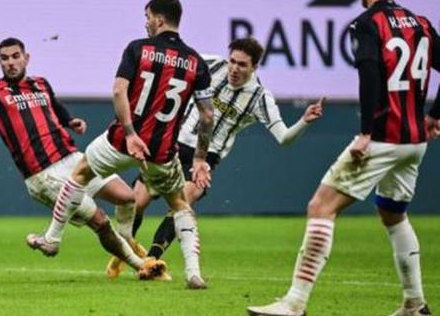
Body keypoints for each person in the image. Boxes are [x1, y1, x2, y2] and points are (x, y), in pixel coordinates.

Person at [247, 0, 440, 316]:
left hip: (383, 137)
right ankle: (414, 303)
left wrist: (366, 132)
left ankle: (294, 303)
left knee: (321, 208)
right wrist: (434, 116)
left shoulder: (366, 24)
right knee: (392, 213)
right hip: (414, 141)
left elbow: (369, 75)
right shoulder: (421, 23)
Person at [0, 37, 162, 279]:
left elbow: (54, 107)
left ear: (26, 57)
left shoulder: (41, 83)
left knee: (128, 198)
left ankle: (124, 242)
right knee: (101, 222)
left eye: (15, 56)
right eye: (5, 58)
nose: (11, 63)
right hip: (43, 174)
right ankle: (140, 264)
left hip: (73, 159)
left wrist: (71, 121)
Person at [26, 0, 216, 289]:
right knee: (179, 204)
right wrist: (201, 159)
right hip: (163, 150)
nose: (146, 23)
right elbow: (207, 116)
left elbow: (118, 91)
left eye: (148, 17)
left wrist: (130, 133)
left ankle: (52, 238)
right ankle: (194, 273)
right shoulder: (196, 62)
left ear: (159, 19)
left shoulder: (138, 48)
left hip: (123, 140)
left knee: (80, 173)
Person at [106, 37, 325, 280]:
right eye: (232, 61)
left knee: (182, 203)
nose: (234, 68)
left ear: (255, 68)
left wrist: (304, 121)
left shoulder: (259, 97)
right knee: (137, 202)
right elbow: (178, 68)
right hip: (172, 144)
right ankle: (125, 254)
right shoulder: (209, 65)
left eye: (242, 65)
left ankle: (153, 260)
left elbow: (283, 137)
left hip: (205, 158)